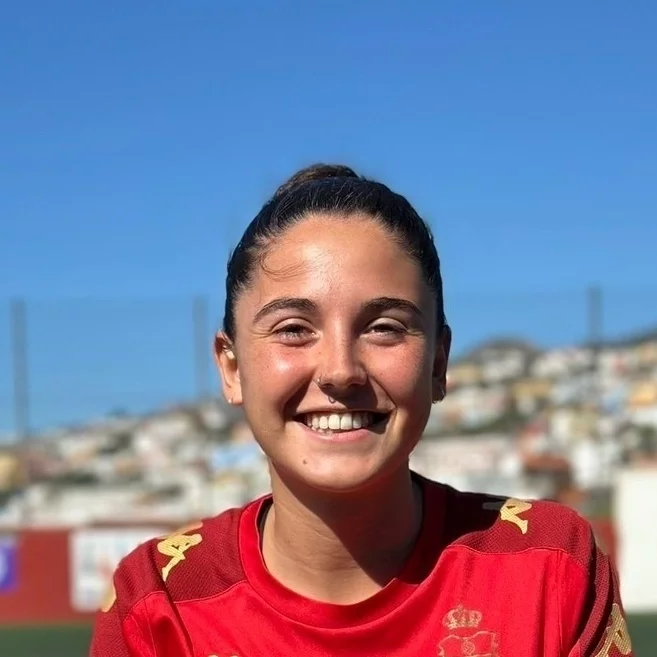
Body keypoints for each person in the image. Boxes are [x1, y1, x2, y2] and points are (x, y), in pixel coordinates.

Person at [89, 164, 633, 657]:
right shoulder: (159, 602)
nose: (340, 371)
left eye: (384, 328)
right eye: (293, 330)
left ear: (438, 363)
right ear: (232, 368)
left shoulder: (551, 567)